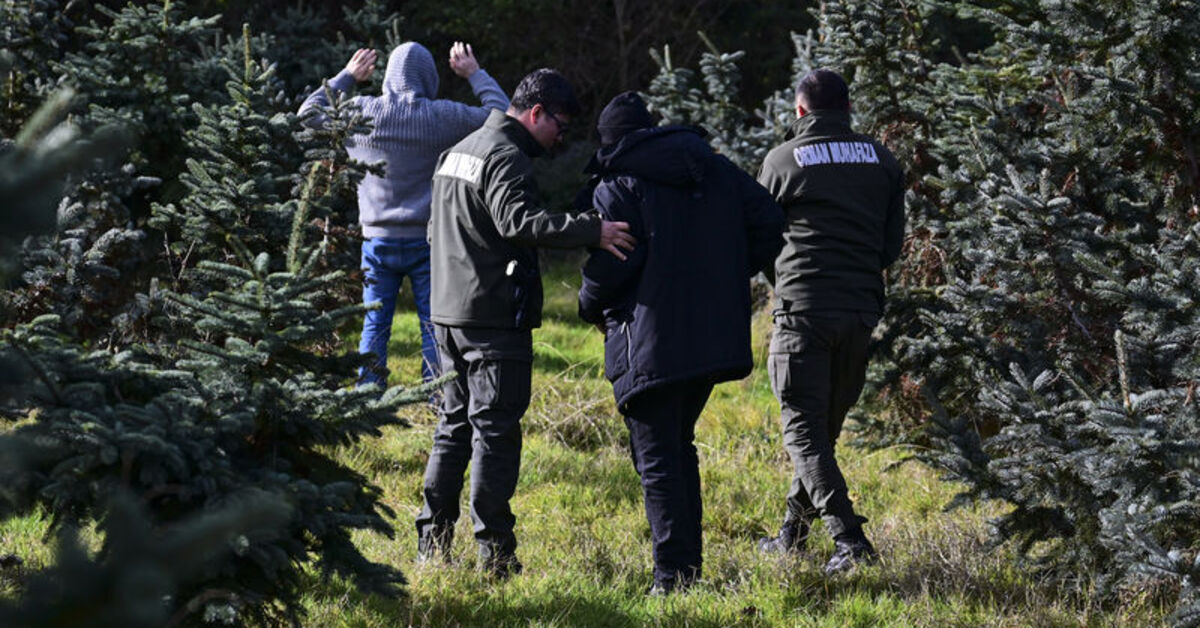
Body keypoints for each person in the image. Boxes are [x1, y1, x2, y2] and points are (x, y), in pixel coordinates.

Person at [415, 69, 636, 577]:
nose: (561, 135)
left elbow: (434, 230)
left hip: (448, 315)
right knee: (494, 432)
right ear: (535, 112)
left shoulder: (460, 150)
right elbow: (520, 222)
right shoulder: (504, 157)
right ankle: (495, 555)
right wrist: (592, 230)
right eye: (559, 123)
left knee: (452, 428)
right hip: (493, 320)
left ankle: (432, 544)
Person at [577, 92, 784, 594]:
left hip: (648, 337)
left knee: (657, 459)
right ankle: (687, 569)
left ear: (611, 142)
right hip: (710, 337)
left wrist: (587, 303)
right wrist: (726, 271)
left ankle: (673, 580)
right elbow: (771, 224)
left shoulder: (616, 185)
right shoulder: (713, 168)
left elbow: (612, 264)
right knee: (677, 447)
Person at [755, 69, 906, 574]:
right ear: (847, 108)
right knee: (821, 431)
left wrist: (785, 278)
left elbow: (756, 238)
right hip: (860, 311)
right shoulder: (882, 160)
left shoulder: (782, 160)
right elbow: (890, 246)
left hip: (803, 312)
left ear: (800, 111)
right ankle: (791, 535)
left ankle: (850, 541)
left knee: (802, 431)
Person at [299, 42, 510, 385]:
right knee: (434, 325)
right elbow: (503, 119)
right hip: (429, 242)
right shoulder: (442, 116)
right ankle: (439, 398)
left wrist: (348, 76)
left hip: (375, 241)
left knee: (374, 324)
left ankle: (368, 397)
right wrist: (474, 73)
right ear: (428, 77)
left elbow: (307, 116)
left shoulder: (360, 112)